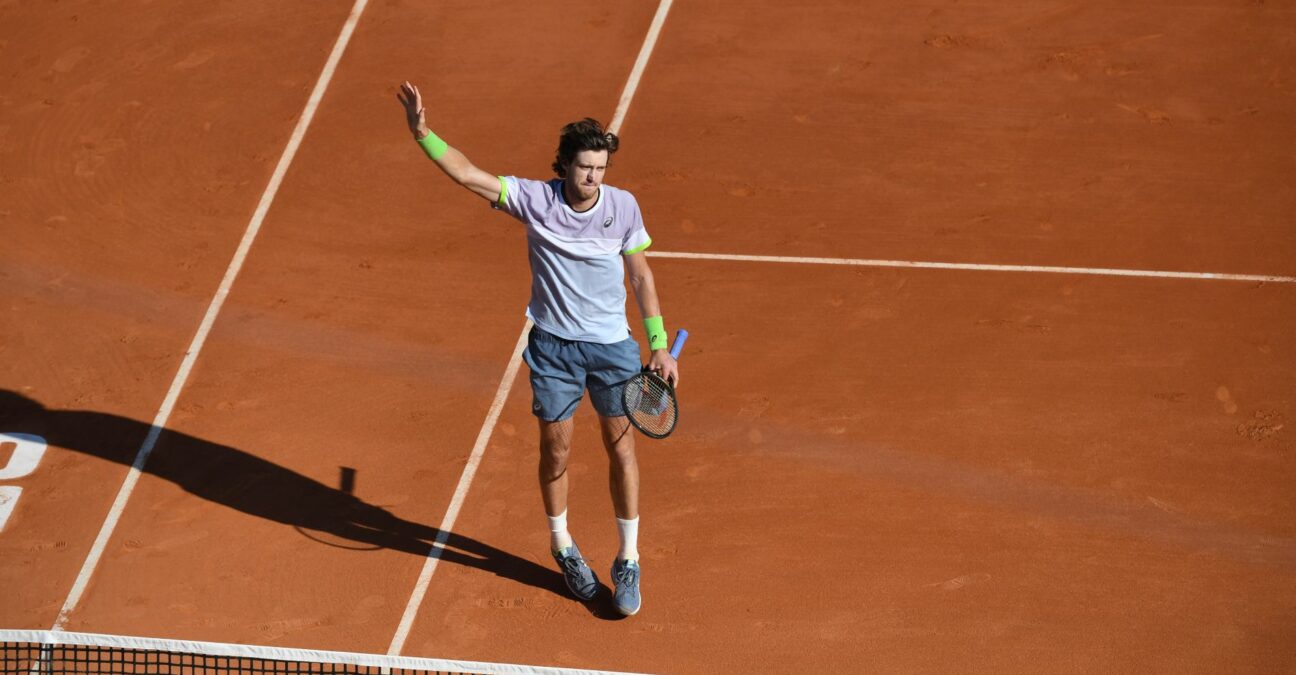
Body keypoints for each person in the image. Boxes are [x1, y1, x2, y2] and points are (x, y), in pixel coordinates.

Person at [397, 82, 679, 616]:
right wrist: (424, 134)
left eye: (601, 168)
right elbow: (467, 174)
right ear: (564, 166)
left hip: (614, 350)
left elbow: (640, 276)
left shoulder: (623, 206)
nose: (593, 177)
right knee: (556, 450)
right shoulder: (534, 199)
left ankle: (629, 558)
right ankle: (564, 547)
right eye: (584, 167)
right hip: (553, 350)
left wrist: (659, 345)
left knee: (622, 448)